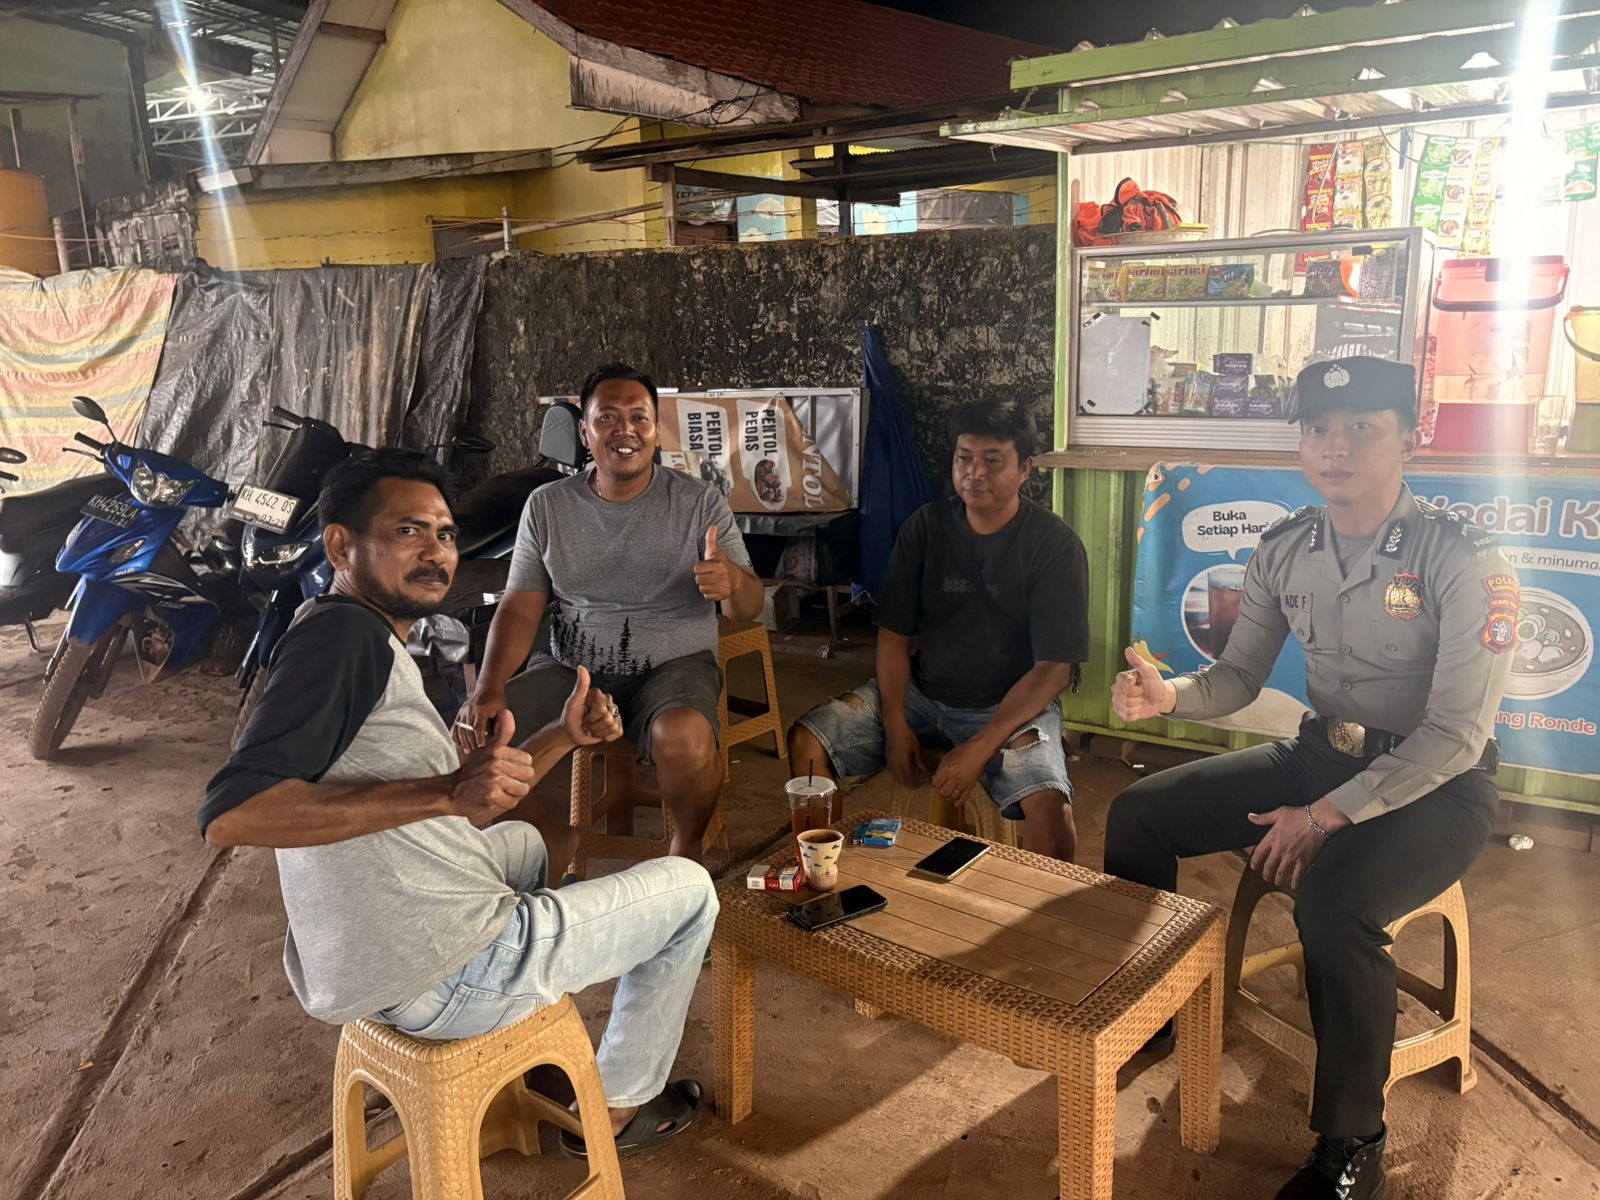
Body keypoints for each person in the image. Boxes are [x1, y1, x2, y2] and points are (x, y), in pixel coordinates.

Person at [201, 450, 717, 1155]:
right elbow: (232, 813)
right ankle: (621, 1104)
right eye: (407, 531)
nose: (435, 552)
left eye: (444, 534)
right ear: (341, 546)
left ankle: (513, 1062)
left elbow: (471, 808)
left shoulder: (348, 630)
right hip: (442, 972)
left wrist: (563, 737)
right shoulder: (344, 642)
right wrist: (443, 789)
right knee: (690, 891)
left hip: (364, 960)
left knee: (529, 844)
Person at [1104, 358, 1516, 1200]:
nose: (1336, 447)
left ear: (1409, 439)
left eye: (1362, 427)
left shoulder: (1462, 560)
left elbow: (1454, 735)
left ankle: (1351, 1143)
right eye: (1319, 429)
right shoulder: (1286, 549)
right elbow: (1238, 677)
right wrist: (1171, 696)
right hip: (1322, 753)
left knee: (1334, 906)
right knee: (1140, 813)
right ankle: (1147, 1014)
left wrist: (1323, 815)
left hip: (1439, 788)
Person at [456, 363, 764, 862]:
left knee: (684, 738)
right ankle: (548, 835)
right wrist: (488, 686)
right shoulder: (547, 506)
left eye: (639, 417)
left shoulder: (698, 503)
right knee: (477, 733)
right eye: (608, 417)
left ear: (656, 430)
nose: (625, 431)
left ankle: (686, 855)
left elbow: (749, 607)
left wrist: (731, 582)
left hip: (674, 667)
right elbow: (521, 605)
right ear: (584, 431)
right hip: (569, 668)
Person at [788, 399, 1089, 861]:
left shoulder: (1053, 544)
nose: (975, 473)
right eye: (964, 458)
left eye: (993, 461)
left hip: (1009, 706)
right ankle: (825, 880)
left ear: (1026, 469)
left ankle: (1042, 909)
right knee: (809, 744)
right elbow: (893, 636)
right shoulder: (925, 528)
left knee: (1049, 804)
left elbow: (1053, 669)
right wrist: (895, 722)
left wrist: (980, 746)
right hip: (922, 695)